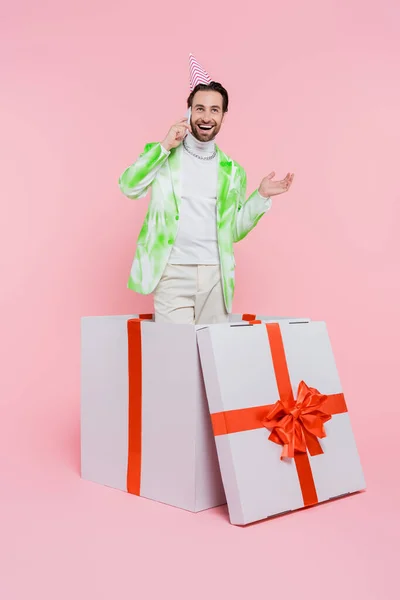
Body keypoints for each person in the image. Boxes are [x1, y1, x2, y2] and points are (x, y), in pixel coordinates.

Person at [119, 55, 294, 324]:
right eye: (200, 108)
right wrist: (165, 145)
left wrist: (260, 197)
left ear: (223, 116)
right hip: (172, 273)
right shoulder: (162, 156)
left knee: (211, 361)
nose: (206, 116)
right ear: (189, 111)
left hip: (217, 276)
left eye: (214, 110)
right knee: (176, 357)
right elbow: (129, 186)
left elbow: (233, 232)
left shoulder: (233, 172)